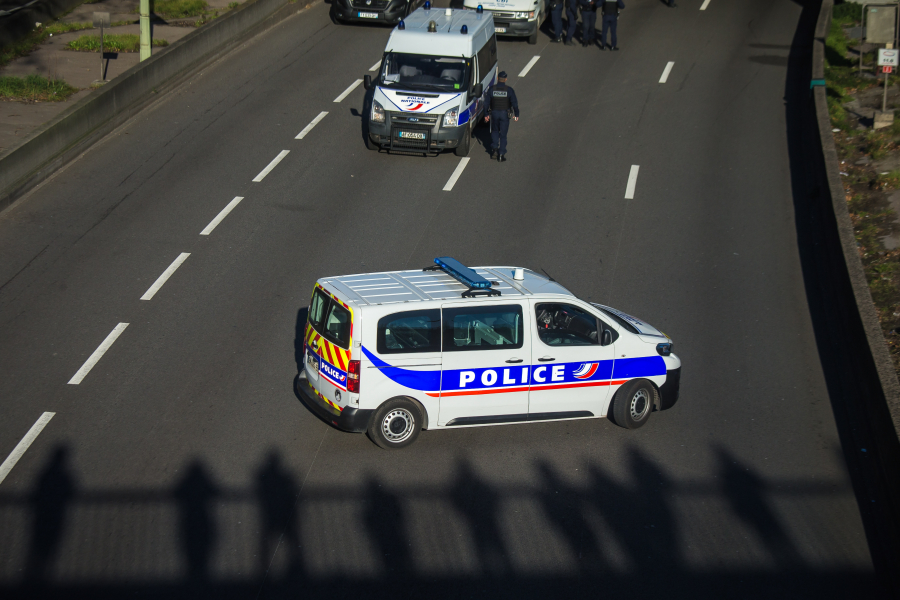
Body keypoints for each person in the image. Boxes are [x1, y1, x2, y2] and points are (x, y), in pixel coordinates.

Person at [484, 72, 519, 162]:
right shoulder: (509, 90)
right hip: (505, 114)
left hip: (494, 113)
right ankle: (501, 154)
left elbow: (486, 103)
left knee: (495, 131)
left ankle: (495, 149)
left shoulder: (492, 89)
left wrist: (486, 114)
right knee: (503, 135)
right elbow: (514, 103)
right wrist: (516, 114)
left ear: (497, 78)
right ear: (505, 79)